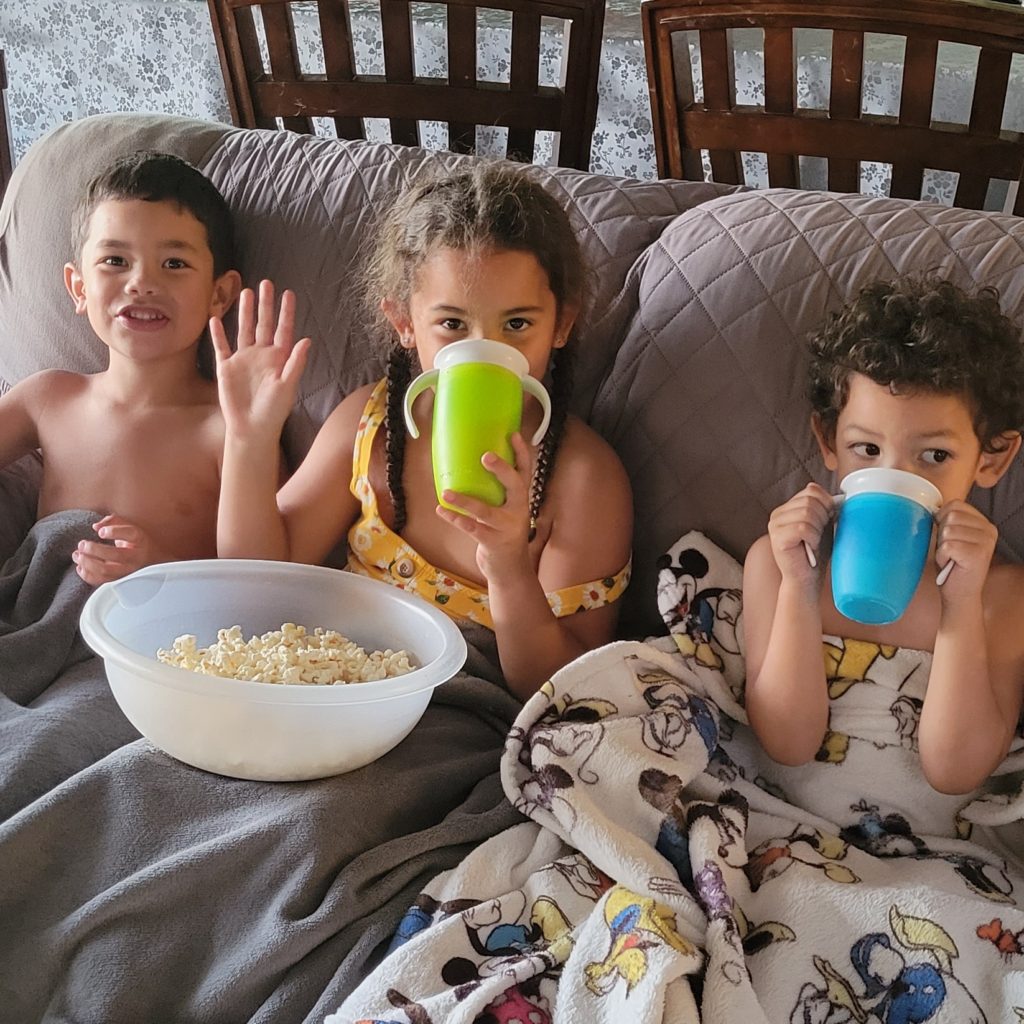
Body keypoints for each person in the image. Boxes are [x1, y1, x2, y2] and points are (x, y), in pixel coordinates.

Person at [213, 164, 633, 700]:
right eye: (453, 324)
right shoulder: (370, 423)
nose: (485, 349)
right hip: (336, 681)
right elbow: (256, 584)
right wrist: (247, 441)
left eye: (517, 325)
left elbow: (561, 689)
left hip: (461, 706)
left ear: (562, 325)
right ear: (405, 322)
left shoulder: (582, 479)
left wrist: (507, 567)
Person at [742, 276, 1024, 795]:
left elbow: (955, 773)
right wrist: (798, 589)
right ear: (829, 441)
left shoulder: (1000, 596)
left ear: (992, 458)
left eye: (935, 456)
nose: (897, 478)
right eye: (866, 450)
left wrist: (960, 604)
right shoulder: (778, 563)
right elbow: (787, 745)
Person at [0, 150, 241, 584]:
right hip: (33, 626)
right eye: (115, 261)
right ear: (78, 287)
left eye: (174, 264)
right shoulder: (48, 397)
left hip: (155, 636)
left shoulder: (230, 427)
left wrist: (157, 568)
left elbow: (257, 567)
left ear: (218, 296)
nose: (142, 283)